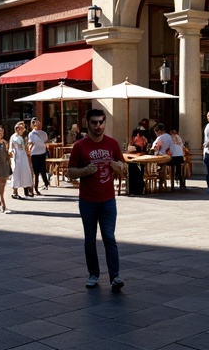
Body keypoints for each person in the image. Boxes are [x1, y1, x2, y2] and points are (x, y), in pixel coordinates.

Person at [67, 108, 127, 292]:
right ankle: (93, 274)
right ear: (87, 123)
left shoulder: (112, 143)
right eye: (94, 122)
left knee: (109, 237)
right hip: (88, 201)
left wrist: (119, 166)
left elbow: (124, 167)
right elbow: (70, 172)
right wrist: (84, 171)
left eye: (101, 122)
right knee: (90, 240)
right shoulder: (80, 146)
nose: (98, 126)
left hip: (108, 200)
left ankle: (115, 277)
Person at [9, 120, 33, 198]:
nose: (23, 130)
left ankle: (27, 190)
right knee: (16, 173)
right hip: (17, 157)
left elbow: (24, 148)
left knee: (24, 173)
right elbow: (12, 147)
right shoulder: (14, 137)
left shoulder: (21, 137)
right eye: (21, 129)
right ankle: (15, 191)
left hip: (22, 156)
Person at [27, 117, 50, 193]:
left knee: (43, 169)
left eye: (38, 123)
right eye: (35, 123)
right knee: (36, 172)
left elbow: (47, 141)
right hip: (35, 153)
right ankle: (36, 188)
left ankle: (46, 182)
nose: (37, 124)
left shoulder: (44, 133)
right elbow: (31, 143)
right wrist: (29, 152)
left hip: (42, 152)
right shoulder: (31, 134)